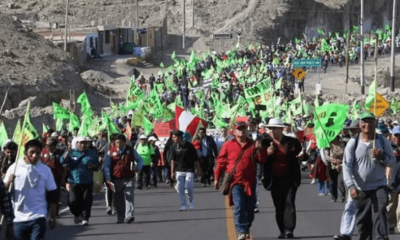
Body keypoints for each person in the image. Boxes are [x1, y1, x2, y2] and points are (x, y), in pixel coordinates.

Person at [343, 112, 396, 240]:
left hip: (379, 185)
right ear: (360, 124)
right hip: (360, 187)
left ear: (375, 123)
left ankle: (381, 237)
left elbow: (392, 162)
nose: (367, 124)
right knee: (363, 220)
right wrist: (351, 186)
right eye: (364, 122)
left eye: (370, 121)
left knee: (381, 210)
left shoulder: (382, 141)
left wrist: (381, 156)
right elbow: (347, 165)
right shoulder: (353, 142)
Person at [214, 121, 266, 240]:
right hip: (235, 182)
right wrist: (217, 178)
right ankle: (241, 231)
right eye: (239, 129)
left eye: (243, 129)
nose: (241, 131)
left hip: (250, 182)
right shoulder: (228, 145)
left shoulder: (253, 144)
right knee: (239, 206)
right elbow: (220, 162)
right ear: (234, 131)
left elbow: (262, 160)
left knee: (250, 209)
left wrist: (260, 148)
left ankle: (246, 226)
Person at [5, 139, 58, 240]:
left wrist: (53, 217)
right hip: (18, 218)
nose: (34, 156)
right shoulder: (14, 168)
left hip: (38, 216)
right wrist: (8, 183)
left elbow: (53, 194)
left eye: (37, 152)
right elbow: (4, 192)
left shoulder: (45, 170)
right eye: (31, 152)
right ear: (25, 152)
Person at [263, 118, 302, 239]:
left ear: (281, 129)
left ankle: (289, 229)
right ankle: (281, 230)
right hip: (274, 179)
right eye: (270, 128)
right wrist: (266, 154)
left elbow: (302, 155)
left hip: (290, 178)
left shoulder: (292, 142)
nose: (272, 131)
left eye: (274, 128)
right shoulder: (265, 143)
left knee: (289, 202)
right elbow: (259, 159)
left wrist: (303, 155)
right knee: (278, 205)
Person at [103, 134, 143, 224]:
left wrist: (138, 167)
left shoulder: (131, 150)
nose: (119, 144)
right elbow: (106, 165)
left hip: (129, 177)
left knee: (129, 195)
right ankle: (120, 217)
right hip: (116, 178)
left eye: (121, 142)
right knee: (119, 198)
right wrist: (108, 177)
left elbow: (140, 160)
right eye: (117, 142)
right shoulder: (111, 151)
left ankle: (129, 215)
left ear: (125, 142)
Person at [60, 137, 100, 226]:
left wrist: (93, 165)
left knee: (86, 200)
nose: (83, 145)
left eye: (85, 143)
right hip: (73, 181)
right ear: (77, 143)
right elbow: (62, 161)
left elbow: (97, 166)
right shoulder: (72, 152)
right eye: (81, 143)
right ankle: (76, 214)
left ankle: (85, 218)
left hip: (87, 181)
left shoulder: (91, 154)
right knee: (73, 200)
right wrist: (67, 152)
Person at [333, 120, 361, 240]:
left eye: (354, 130)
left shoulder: (373, 142)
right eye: (351, 130)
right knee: (350, 206)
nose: (352, 132)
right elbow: (346, 160)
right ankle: (346, 233)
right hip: (354, 180)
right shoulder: (349, 143)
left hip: (371, 181)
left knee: (374, 210)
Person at [169, 130, 202, 211]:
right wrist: (172, 172)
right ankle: (183, 205)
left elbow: (196, 159)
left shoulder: (189, 146)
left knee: (189, 187)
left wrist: (198, 169)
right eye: (172, 137)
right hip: (179, 170)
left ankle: (191, 203)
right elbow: (172, 160)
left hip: (189, 170)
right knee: (180, 188)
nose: (174, 139)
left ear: (180, 137)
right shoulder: (173, 147)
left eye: (175, 137)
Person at [41, 137, 65, 215]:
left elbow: (64, 165)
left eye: (50, 145)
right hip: (45, 176)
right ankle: (46, 208)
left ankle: (55, 210)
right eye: (47, 145)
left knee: (55, 193)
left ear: (54, 145)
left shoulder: (60, 153)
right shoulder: (43, 152)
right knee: (45, 193)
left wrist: (64, 178)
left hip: (56, 177)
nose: (48, 147)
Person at [323, 136, 346, 203]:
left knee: (341, 181)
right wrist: (334, 160)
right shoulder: (328, 145)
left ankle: (342, 195)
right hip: (332, 166)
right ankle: (333, 196)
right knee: (332, 182)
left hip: (342, 165)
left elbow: (347, 153)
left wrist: (341, 160)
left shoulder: (343, 144)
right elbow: (326, 156)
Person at [387, 125, 400, 234]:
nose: (397, 138)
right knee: (391, 205)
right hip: (392, 181)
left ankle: (399, 227)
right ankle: (390, 224)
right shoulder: (388, 147)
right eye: (396, 135)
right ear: (392, 136)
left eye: (399, 136)